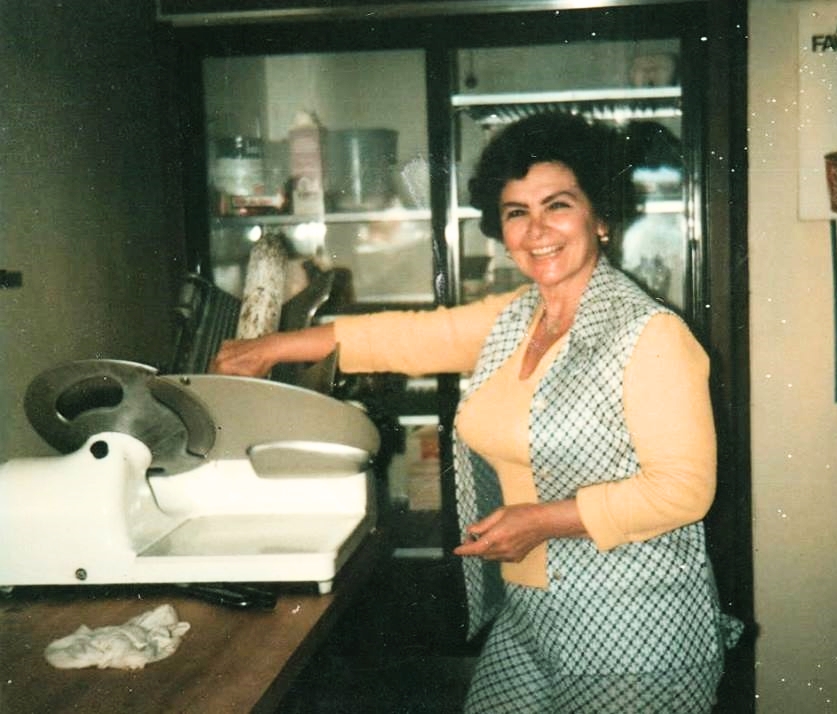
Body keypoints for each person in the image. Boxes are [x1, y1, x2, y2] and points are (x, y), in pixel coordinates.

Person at [211, 112, 740, 713]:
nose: (537, 230)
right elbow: (405, 336)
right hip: (531, 614)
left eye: (558, 205)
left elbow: (683, 491)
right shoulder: (516, 318)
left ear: (601, 217)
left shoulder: (650, 334)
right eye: (517, 212)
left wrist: (541, 520)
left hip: (637, 632)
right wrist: (272, 347)